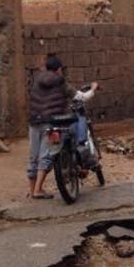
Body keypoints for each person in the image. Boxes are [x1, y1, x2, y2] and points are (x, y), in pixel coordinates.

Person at [27, 55, 98, 200]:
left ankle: (31, 189)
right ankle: (38, 190)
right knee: (45, 156)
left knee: (33, 156)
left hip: (34, 121)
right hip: (51, 121)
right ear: (59, 69)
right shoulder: (60, 82)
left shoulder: (37, 81)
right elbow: (81, 97)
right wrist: (94, 89)